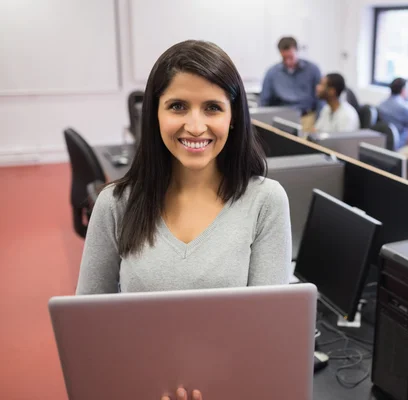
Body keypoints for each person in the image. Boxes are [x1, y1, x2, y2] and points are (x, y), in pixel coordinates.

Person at [77, 40, 292, 398]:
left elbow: (267, 337)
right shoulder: (114, 204)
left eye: (212, 108)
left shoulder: (265, 201)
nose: (195, 126)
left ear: (233, 116)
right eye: (178, 106)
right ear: (155, 113)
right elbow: (86, 332)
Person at [259, 37, 321, 131]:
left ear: (297, 51)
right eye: (284, 58)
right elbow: (264, 102)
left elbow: (321, 100)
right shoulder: (272, 73)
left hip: (307, 118)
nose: (288, 62)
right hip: (282, 119)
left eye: (291, 57)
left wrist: (319, 122)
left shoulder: (313, 70)